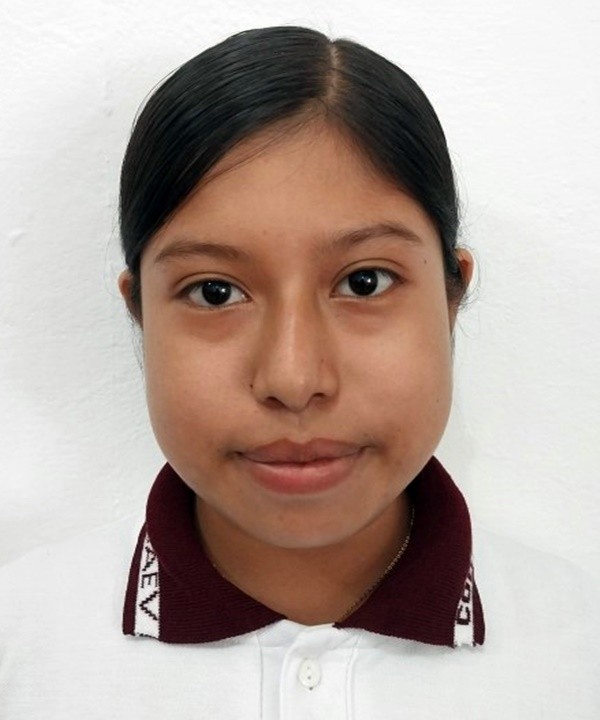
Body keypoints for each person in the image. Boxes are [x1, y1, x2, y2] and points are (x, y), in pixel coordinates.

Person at [0, 25, 598, 719]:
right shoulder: (23, 641)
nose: (292, 378)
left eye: (365, 282)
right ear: (140, 312)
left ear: (450, 296)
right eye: (215, 292)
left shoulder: (577, 656)